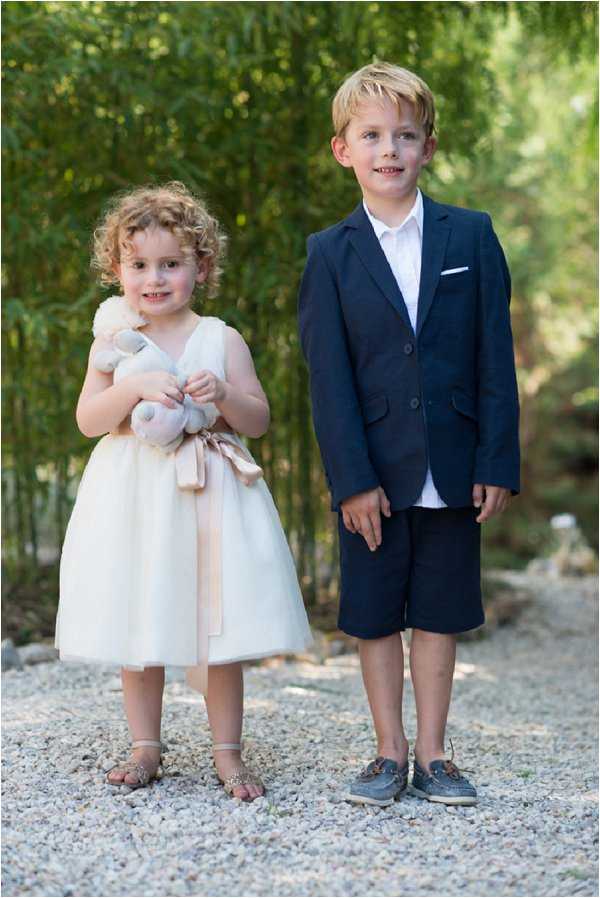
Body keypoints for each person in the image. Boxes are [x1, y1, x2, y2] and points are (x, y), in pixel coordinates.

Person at [298, 63, 519, 807]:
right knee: (374, 613)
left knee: (440, 611)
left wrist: (497, 460)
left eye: (404, 135)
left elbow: (495, 355)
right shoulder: (329, 253)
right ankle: (388, 752)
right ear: (343, 150)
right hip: (374, 472)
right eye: (372, 136)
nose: (388, 149)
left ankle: (434, 755)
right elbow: (328, 378)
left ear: (427, 146)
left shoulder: (472, 235)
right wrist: (350, 478)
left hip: (455, 464)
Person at [56, 181, 312, 801]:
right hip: (134, 500)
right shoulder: (113, 343)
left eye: (171, 264)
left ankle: (229, 752)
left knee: (217, 626)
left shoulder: (220, 338)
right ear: (117, 269)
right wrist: (135, 390)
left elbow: (257, 419)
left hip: (210, 498)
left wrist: (222, 394)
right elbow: (90, 420)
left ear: (200, 267)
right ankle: (146, 745)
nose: (154, 278)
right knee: (138, 616)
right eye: (139, 265)